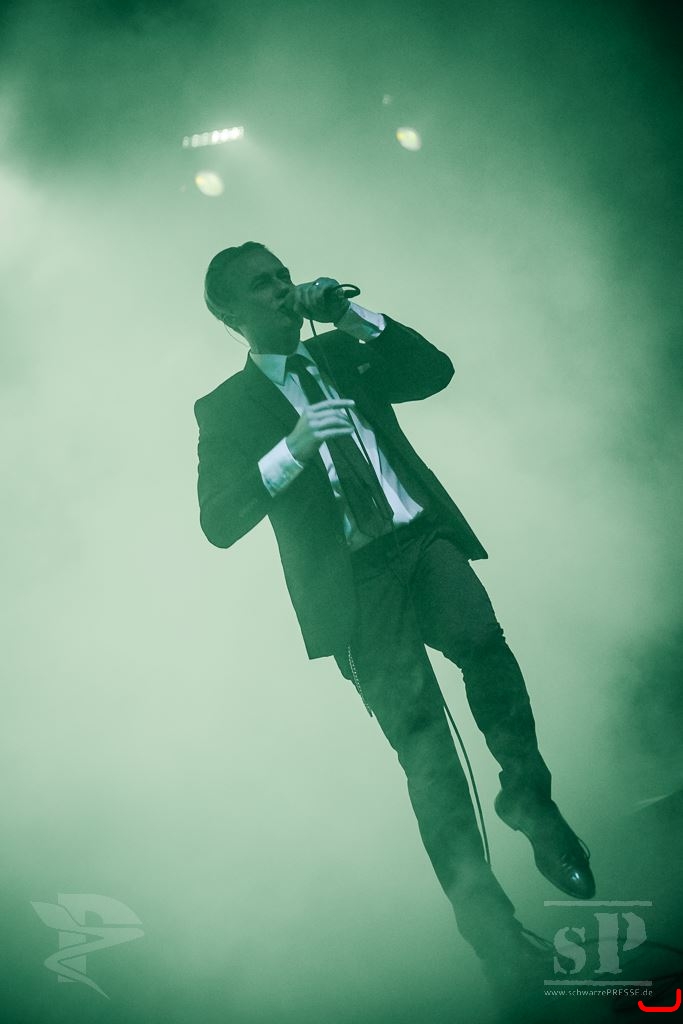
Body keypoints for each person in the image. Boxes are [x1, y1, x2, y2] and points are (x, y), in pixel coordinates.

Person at [193, 240, 595, 986]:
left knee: (484, 642)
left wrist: (349, 315)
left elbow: (433, 372)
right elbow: (217, 521)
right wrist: (292, 448)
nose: (281, 290)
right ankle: (491, 931)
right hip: (353, 586)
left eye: (283, 276)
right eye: (261, 286)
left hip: (417, 539)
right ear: (229, 315)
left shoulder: (340, 352)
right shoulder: (226, 408)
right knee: (425, 751)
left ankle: (530, 803)